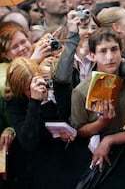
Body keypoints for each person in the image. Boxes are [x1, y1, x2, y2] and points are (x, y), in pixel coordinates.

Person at [70, 29, 125, 187]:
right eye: (103, 51)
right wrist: (102, 123)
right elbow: (79, 131)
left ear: (122, 51)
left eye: (114, 49)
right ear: (92, 55)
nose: (109, 57)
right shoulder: (81, 91)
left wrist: (110, 140)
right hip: (103, 160)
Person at [3, 57, 86, 189]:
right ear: (19, 89)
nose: (35, 89)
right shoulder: (14, 101)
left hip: (64, 147)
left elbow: (69, 115)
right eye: (28, 89)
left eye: (35, 82)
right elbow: (28, 142)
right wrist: (35, 102)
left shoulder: (56, 85)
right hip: (34, 156)